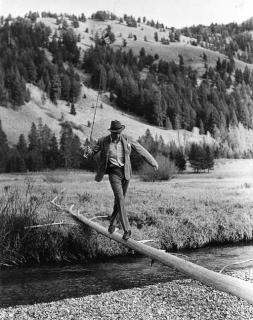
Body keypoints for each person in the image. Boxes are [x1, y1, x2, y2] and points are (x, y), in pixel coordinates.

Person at [84, 120, 158, 240]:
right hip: (114, 173)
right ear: (111, 132)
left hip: (126, 172)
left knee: (119, 201)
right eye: (115, 132)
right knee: (120, 198)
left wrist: (153, 162)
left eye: (119, 132)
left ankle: (112, 223)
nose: (117, 135)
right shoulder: (103, 141)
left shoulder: (127, 139)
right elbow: (92, 151)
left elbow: (140, 149)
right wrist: (88, 152)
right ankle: (127, 229)